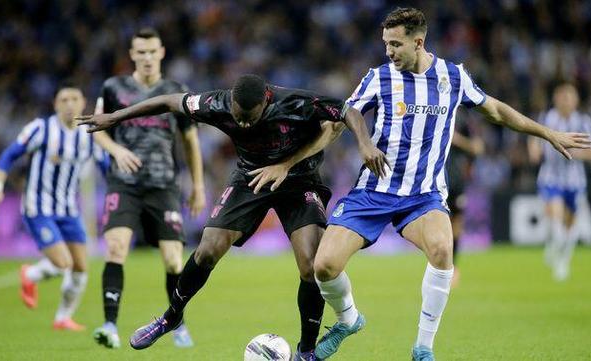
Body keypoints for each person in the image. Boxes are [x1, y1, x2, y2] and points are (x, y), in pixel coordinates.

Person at [263, 8, 590, 361]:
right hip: (372, 192)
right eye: (386, 44)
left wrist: (547, 133)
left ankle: (423, 349)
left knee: (442, 250)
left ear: (418, 42)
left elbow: (496, 111)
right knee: (323, 266)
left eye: (395, 44)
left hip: (423, 196)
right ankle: (349, 319)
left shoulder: (453, 77)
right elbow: (339, 123)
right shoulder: (378, 77)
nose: (388, 51)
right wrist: (287, 163)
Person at [77, 73, 387, 360]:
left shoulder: (293, 102)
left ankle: (306, 350)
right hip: (250, 178)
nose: (243, 124)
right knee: (209, 247)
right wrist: (115, 117)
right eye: (238, 117)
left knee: (310, 265)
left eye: (249, 119)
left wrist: (364, 142)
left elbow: (348, 111)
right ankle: (171, 316)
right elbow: (169, 101)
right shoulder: (218, 103)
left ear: (265, 103)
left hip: (299, 179)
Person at [90, 28, 205, 349]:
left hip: (163, 184)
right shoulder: (114, 88)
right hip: (124, 184)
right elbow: (97, 127)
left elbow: (190, 140)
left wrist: (197, 185)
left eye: (152, 51)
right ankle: (109, 325)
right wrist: (117, 150)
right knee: (116, 248)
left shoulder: (175, 90)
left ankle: (177, 324)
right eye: (141, 52)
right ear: (132, 54)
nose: (147, 57)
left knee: (173, 260)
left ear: (162, 52)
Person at [0, 82, 109, 331]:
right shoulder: (41, 129)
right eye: (63, 100)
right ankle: (30, 274)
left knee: (80, 267)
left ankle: (63, 317)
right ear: (55, 104)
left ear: (83, 102)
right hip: (38, 207)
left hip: (68, 209)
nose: (69, 104)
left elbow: (106, 168)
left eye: (74, 99)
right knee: (62, 263)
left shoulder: (90, 136)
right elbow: (10, 154)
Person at [528, 83, 591, 281]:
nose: (566, 100)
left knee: (570, 225)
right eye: (562, 96)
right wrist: (533, 150)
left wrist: (576, 153)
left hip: (575, 181)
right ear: (556, 99)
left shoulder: (584, 122)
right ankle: (555, 245)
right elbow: (534, 137)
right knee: (555, 217)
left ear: (576, 100)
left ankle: (563, 259)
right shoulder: (547, 118)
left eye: (570, 96)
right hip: (550, 178)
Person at [447, 127, 485, 286]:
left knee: (457, 224)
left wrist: (457, 139)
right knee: (440, 224)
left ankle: (453, 266)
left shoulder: (462, 119)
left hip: (456, 181)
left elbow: (478, 147)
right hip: (435, 181)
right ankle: (441, 267)